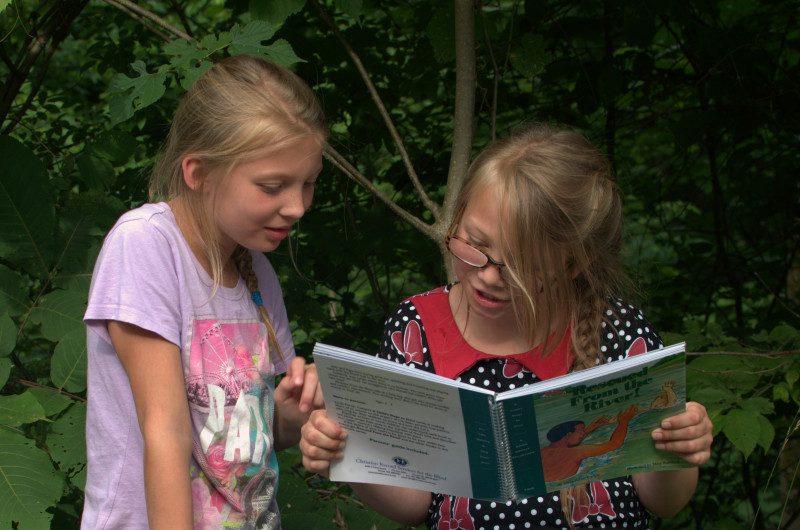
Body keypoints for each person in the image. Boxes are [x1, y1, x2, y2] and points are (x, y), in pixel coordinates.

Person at [299, 123, 714, 528]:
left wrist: (678, 449)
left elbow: (665, 503)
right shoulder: (415, 331)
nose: (489, 276)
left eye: (520, 265)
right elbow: (413, 505)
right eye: (474, 244)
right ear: (457, 217)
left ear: (575, 262)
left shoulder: (620, 334)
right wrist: (347, 454)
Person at [82, 54, 326, 529]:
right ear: (199, 172)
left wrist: (290, 414)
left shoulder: (257, 272)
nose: (297, 207)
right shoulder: (147, 245)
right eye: (272, 186)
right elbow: (167, 430)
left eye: (309, 183)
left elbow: (241, 440)